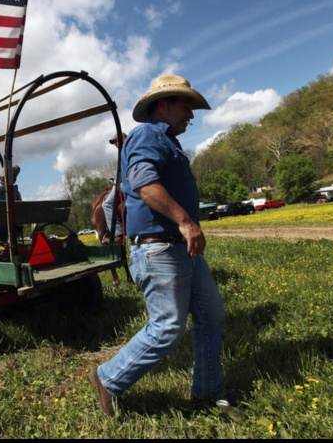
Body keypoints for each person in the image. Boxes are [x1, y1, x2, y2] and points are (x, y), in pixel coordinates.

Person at [88, 74, 243, 421]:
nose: (191, 113)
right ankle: (108, 377)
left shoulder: (168, 141)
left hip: (179, 247)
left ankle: (207, 391)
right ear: (163, 105)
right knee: (167, 327)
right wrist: (186, 222)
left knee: (211, 315)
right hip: (159, 248)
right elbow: (145, 184)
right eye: (186, 104)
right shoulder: (147, 135)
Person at [102, 132, 127, 242]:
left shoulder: (126, 149)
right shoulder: (129, 148)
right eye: (114, 142)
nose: (116, 144)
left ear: (124, 138)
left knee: (107, 204)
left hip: (128, 183)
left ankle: (117, 233)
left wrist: (118, 180)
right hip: (129, 180)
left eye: (117, 141)